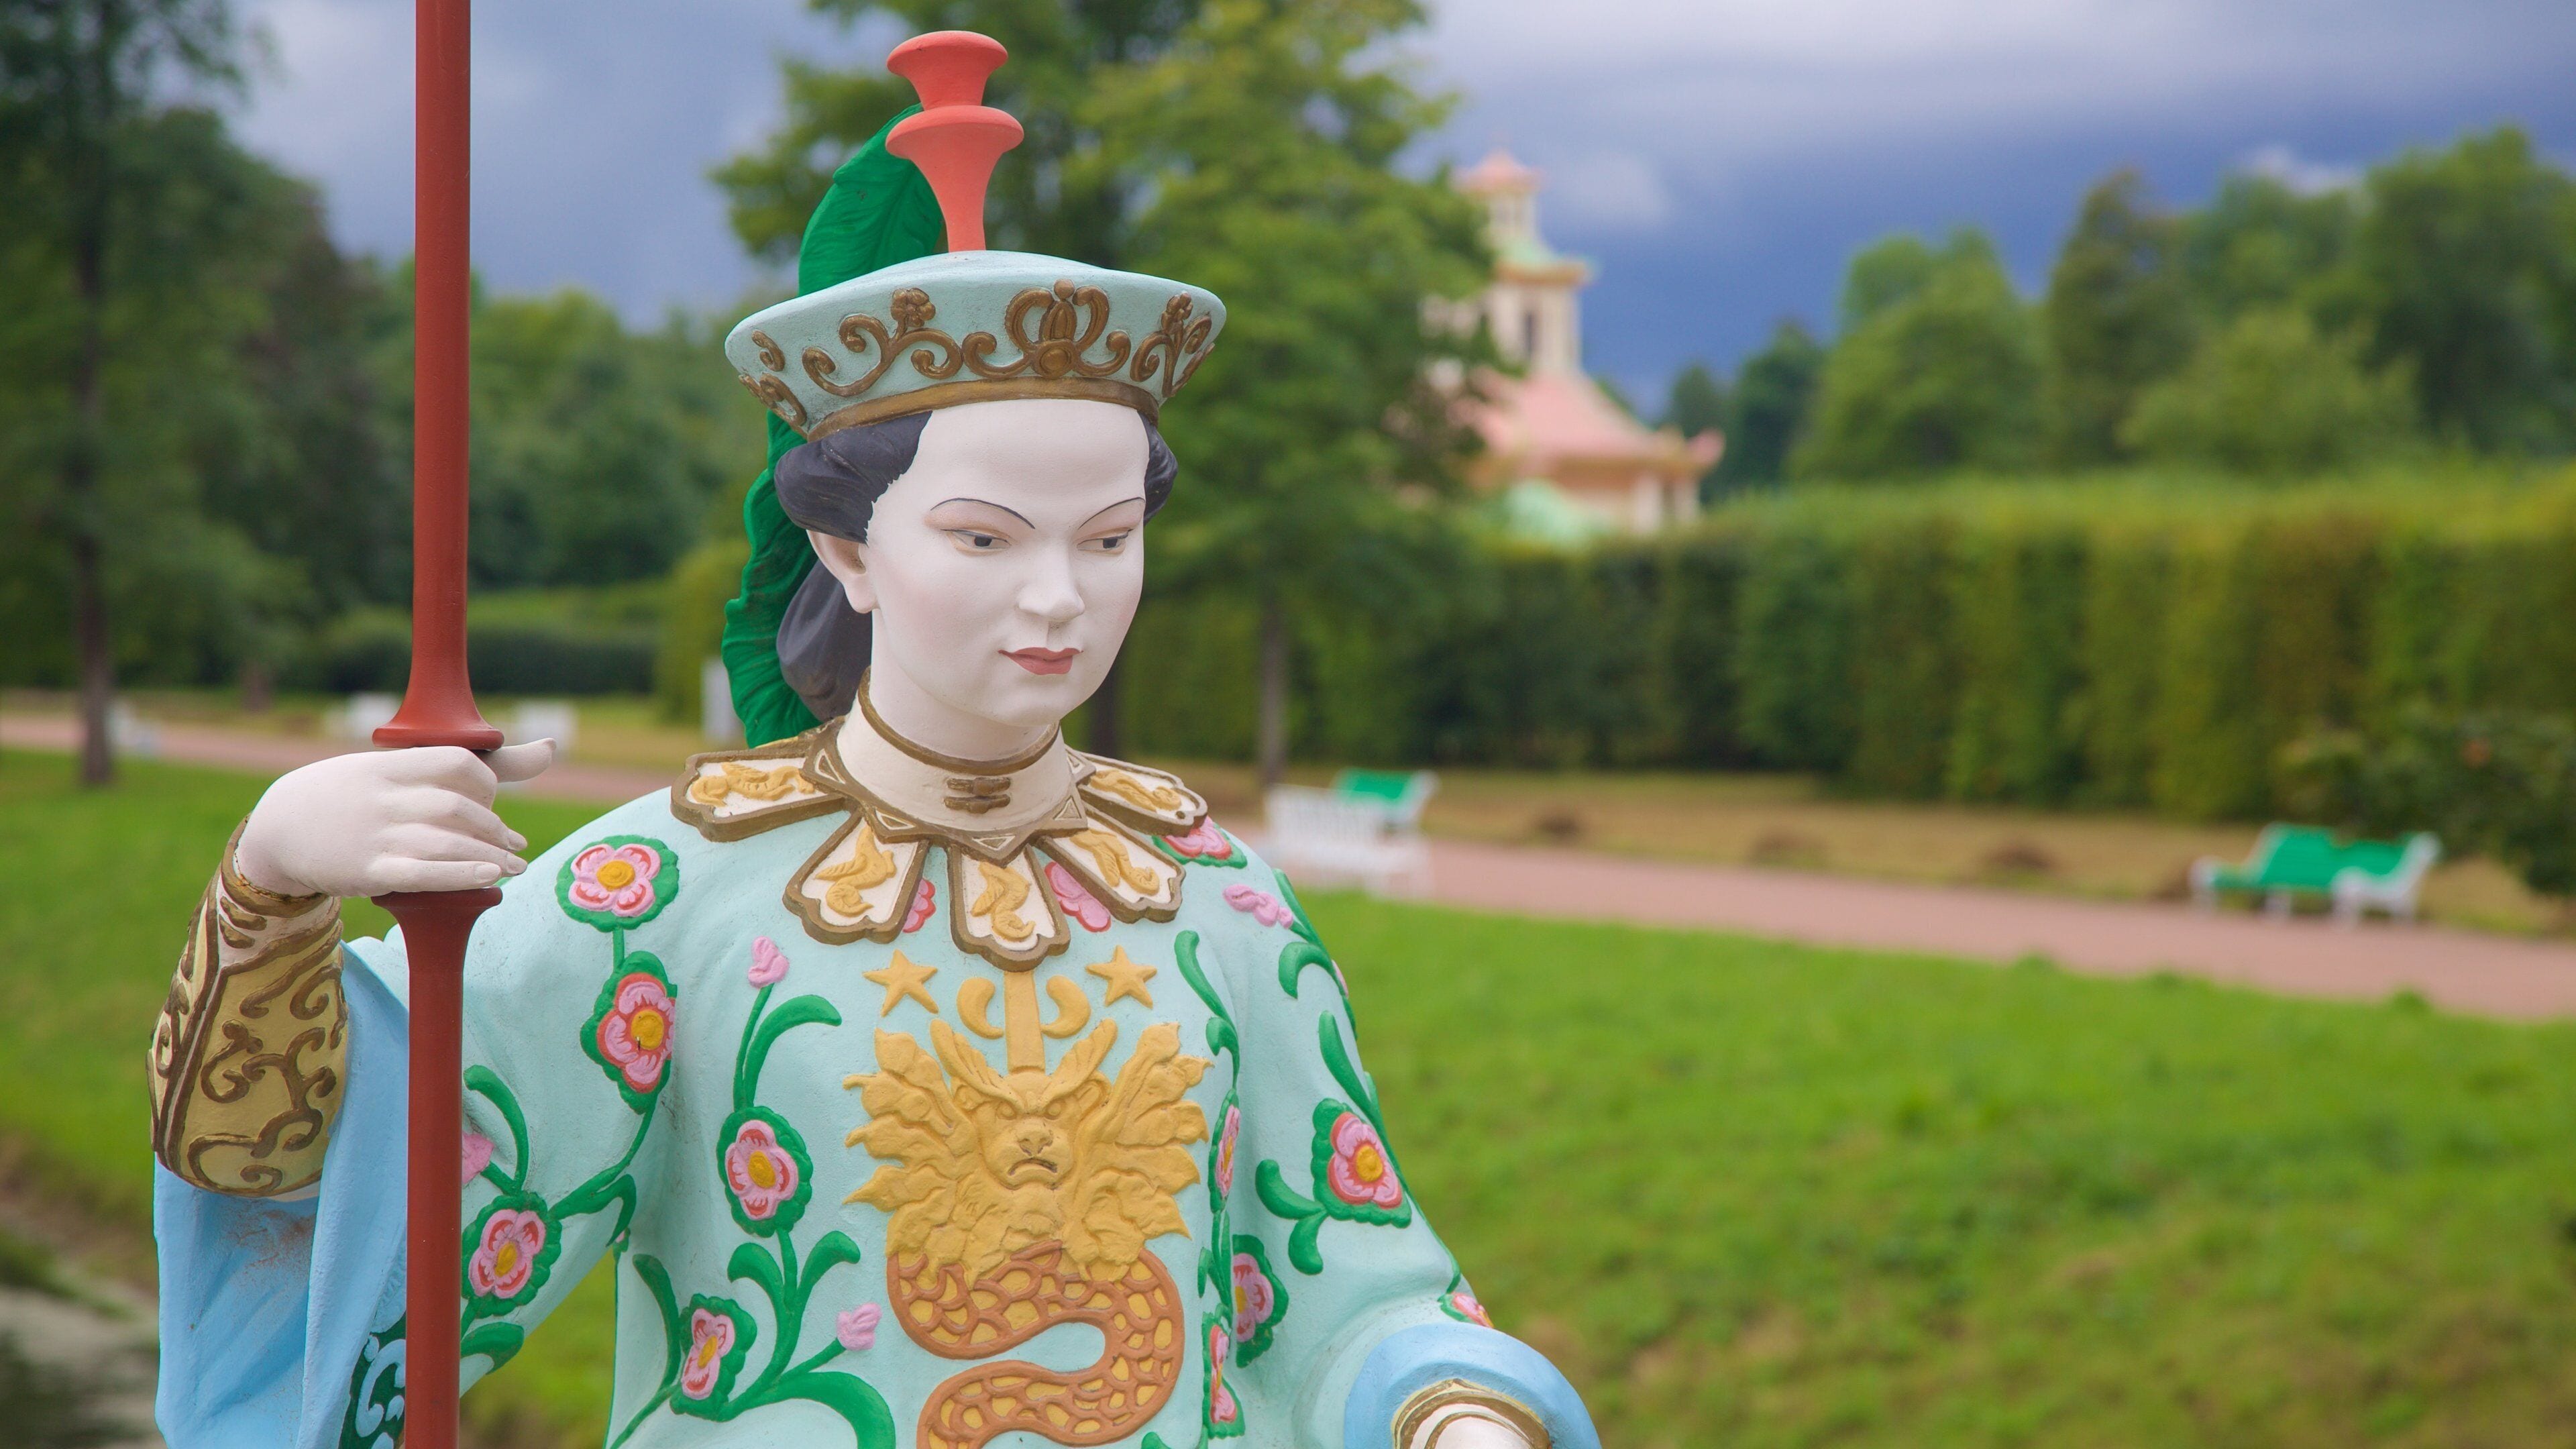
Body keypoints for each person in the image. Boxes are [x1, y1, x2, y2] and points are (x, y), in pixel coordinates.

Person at [146, 32, 1596, 1449]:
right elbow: (303, 1184)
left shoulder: (1214, 891)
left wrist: (1448, 1411)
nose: (1057, 598)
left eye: (1110, 537)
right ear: (843, 547)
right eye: (983, 536)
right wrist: (272, 887)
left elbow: (1342, 1277)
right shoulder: (666, 890)